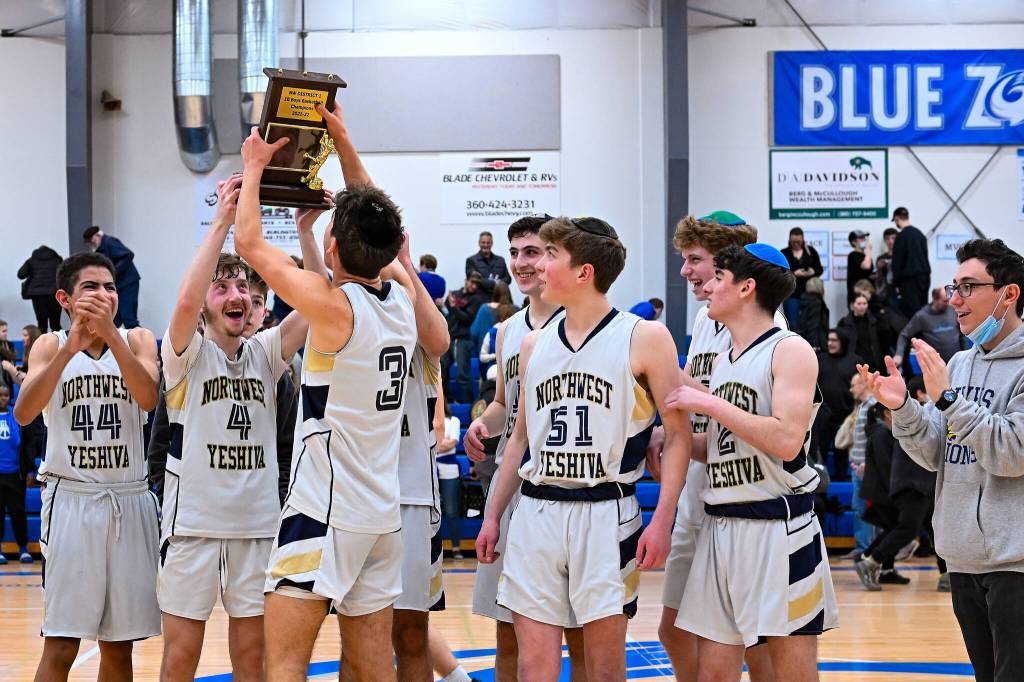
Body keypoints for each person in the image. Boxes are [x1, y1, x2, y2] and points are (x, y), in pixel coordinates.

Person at [235, 99, 418, 681]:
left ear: (334, 247)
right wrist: (341, 136)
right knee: (370, 667)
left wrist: (256, 166)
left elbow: (249, 245)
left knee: (285, 664)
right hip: (381, 515)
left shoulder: (336, 308)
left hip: (325, 508)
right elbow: (379, 222)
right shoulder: (405, 303)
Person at [476, 216, 690, 681]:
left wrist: (663, 520)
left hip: (607, 511)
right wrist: (494, 514)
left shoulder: (646, 337)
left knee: (602, 668)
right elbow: (518, 438)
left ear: (583, 272)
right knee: (534, 666)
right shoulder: (532, 344)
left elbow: (676, 436)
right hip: (537, 510)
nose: (539, 266)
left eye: (551, 255)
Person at [154, 175, 311, 682]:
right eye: (221, 287)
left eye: (244, 285)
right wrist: (223, 218)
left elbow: (316, 300)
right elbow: (182, 304)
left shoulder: (265, 353)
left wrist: (305, 231)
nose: (235, 293)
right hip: (193, 526)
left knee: (252, 661)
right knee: (180, 658)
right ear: (205, 302)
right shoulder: (186, 355)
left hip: (257, 527)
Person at [666, 243, 838, 682]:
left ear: (746, 287)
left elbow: (784, 439)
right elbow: (730, 443)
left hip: (777, 528)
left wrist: (707, 402)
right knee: (713, 672)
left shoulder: (790, 349)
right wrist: (675, 443)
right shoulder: (725, 357)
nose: (708, 286)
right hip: (721, 525)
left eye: (718, 277)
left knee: (791, 670)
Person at [860, 238, 1024, 682]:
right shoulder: (961, 363)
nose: (955, 299)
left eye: (969, 287)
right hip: (963, 558)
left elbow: (1013, 452)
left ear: (1009, 294)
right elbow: (935, 452)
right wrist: (903, 409)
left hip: (1015, 564)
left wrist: (950, 401)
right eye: (954, 287)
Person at [14, 251, 161, 681]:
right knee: (61, 642)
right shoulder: (48, 344)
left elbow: (149, 398)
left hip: (129, 499)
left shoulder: (137, 340)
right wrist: (70, 350)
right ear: (64, 298)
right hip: (72, 500)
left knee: (119, 647)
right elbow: (24, 413)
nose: (103, 294)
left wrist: (110, 335)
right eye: (91, 287)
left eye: (110, 287)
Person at [652, 210, 780, 682]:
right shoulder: (708, 318)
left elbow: (755, 415)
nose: (685, 271)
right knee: (675, 629)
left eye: (695, 260)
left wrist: (657, 363)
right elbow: (701, 393)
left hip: (746, 495)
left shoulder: (767, 325)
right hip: (701, 489)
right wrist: (670, 428)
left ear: (731, 266)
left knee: (754, 643)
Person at [463, 214, 574, 680]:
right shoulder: (508, 330)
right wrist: (480, 424)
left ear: (554, 256)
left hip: (568, 490)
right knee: (506, 631)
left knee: (579, 634)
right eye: (514, 253)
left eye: (531, 252)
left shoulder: (583, 320)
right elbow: (506, 406)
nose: (520, 263)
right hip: (513, 488)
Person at [393, 235, 451, 682]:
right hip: (351, 498)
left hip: (412, 497)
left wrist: (402, 262)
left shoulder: (422, 338)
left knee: (412, 633)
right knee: (360, 633)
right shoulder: (339, 315)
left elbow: (440, 338)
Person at [855, 402, 947, 591]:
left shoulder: (900, 427)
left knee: (934, 530)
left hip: (920, 485)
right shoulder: (897, 428)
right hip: (911, 486)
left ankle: (946, 574)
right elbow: (888, 466)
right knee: (906, 529)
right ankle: (871, 560)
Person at [817, 329, 864, 482]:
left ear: (842, 342)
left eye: (834, 340)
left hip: (845, 415)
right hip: (822, 416)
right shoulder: (819, 359)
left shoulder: (855, 361)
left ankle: (843, 484)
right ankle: (821, 487)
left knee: (842, 453)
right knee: (820, 452)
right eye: (829, 340)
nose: (830, 343)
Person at [83, 226, 142, 328]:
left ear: (97, 235)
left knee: (128, 318)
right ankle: (108, 342)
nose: (90, 243)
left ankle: (140, 342)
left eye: (91, 240)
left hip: (127, 284)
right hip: (118, 285)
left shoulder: (110, 242)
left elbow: (128, 255)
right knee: (114, 320)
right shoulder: (101, 248)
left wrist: (113, 272)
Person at [893, 287, 966, 368]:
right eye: (944, 301)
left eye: (948, 300)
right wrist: (899, 355)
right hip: (935, 366)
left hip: (957, 363)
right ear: (935, 299)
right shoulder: (921, 316)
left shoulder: (952, 310)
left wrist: (966, 353)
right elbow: (904, 335)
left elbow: (961, 334)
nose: (948, 303)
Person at [0, 384, 32, 565]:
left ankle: (23, 549)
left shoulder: (16, 415)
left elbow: (22, 443)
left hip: (15, 474)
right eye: (0, 395)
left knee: (18, 513)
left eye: (6, 395)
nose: (3, 398)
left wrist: (30, 470)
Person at [445, 272, 488, 402]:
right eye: (472, 282)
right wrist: (445, 304)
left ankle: (468, 404)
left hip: (464, 339)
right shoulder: (455, 294)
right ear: (466, 280)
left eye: (476, 284)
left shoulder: (477, 299)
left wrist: (453, 307)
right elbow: (448, 313)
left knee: (462, 374)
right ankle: (447, 401)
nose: (474, 286)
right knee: (442, 369)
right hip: (449, 337)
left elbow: (467, 318)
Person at [889, 207, 931, 320]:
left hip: (909, 281)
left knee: (911, 314)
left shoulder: (901, 236)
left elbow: (897, 262)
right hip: (924, 278)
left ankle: (913, 337)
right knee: (923, 310)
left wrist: (896, 283)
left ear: (897, 218)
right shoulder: (920, 235)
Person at [435, 392, 463, 559]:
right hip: (430, 468)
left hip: (449, 470)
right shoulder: (426, 420)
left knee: (452, 510)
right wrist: (441, 443)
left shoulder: (454, 421)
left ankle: (456, 548)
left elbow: (452, 443)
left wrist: (435, 444)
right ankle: (434, 549)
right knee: (432, 511)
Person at [780, 227, 824, 328]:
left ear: (803, 240)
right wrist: (794, 273)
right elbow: (779, 272)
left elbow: (820, 269)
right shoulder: (784, 253)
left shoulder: (811, 251)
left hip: (810, 294)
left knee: (811, 324)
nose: (796, 244)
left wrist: (813, 271)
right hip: (792, 294)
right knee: (793, 324)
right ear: (789, 240)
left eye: (798, 242)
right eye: (793, 242)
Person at [18, 245, 64, 332]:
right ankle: (59, 344)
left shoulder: (31, 261)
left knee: (42, 324)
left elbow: (21, 274)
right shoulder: (57, 260)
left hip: (38, 296)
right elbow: (65, 274)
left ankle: (42, 345)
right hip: (55, 294)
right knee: (55, 324)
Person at [470, 280, 514, 361]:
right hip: (511, 359)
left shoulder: (484, 309)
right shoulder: (516, 310)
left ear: (494, 293)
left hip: (487, 359)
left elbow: (474, 332)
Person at [839, 294, 883, 371]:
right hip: (852, 363)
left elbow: (880, 344)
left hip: (872, 363)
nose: (862, 306)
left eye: (864, 303)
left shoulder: (874, 322)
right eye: (859, 304)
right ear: (852, 306)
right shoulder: (844, 323)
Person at [798, 276, 829, 352]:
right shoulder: (816, 302)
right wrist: (814, 344)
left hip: (805, 341)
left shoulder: (805, 301)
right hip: (817, 344)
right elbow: (813, 325)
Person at [846, 230, 874, 304]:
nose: (864, 240)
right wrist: (868, 251)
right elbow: (866, 266)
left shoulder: (866, 257)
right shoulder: (853, 255)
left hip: (867, 293)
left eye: (864, 238)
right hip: (857, 295)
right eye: (861, 238)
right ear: (854, 242)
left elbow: (867, 272)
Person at [874, 227, 899, 304]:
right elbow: (878, 281)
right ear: (885, 241)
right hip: (886, 293)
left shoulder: (903, 256)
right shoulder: (881, 258)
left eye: (893, 238)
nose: (890, 241)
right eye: (887, 239)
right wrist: (879, 268)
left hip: (901, 291)